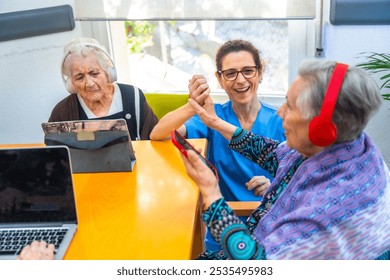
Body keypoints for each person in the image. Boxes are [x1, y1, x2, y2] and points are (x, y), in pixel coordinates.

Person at [179, 60, 390, 259]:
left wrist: (211, 193)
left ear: (322, 130)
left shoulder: (322, 214)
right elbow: (275, 155)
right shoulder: (350, 144)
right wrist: (215, 122)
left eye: (289, 106)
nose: (280, 113)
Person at [150, 39, 285, 202]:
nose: (241, 80)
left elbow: (301, 177)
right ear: (219, 79)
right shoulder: (213, 116)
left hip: (271, 218)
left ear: (260, 71)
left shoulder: (283, 121)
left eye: (248, 71)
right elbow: (158, 134)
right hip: (225, 218)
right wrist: (193, 105)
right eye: (230, 74)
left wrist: (274, 186)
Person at [49, 38, 158, 140]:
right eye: (79, 77)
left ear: (109, 73)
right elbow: (55, 154)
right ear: (71, 83)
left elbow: (155, 139)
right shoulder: (62, 112)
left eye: (94, 73)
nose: (89, 83)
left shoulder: (133, 96)